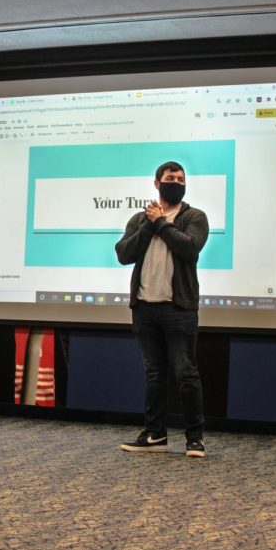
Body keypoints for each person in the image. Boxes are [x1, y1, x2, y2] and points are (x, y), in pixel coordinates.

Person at [115, 161, 209, 457]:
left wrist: (161, 223)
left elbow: (189, 248)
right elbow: (123, 254)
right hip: (144, 308)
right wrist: (148, 223)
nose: (177, 182)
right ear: (157, 183)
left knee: (186, 374)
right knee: (154, 374)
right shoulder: (140, 218)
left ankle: (195, 438)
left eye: (181, 179)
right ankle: (155, 434)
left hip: (178, 309)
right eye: (170, 178)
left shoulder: (194, 216)